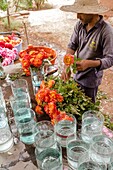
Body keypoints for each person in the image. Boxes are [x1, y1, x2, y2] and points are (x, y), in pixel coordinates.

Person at [60, 0, 113, 103]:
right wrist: (66, 65)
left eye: (81, 13)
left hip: (91, 81)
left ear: (92, 12)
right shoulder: (79, 25)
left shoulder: (106, 31)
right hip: (76, 75)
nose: (78, 16)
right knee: (75, 103)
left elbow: (110, 59)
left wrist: (89, 64)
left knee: (87, 107)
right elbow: (72, 45)